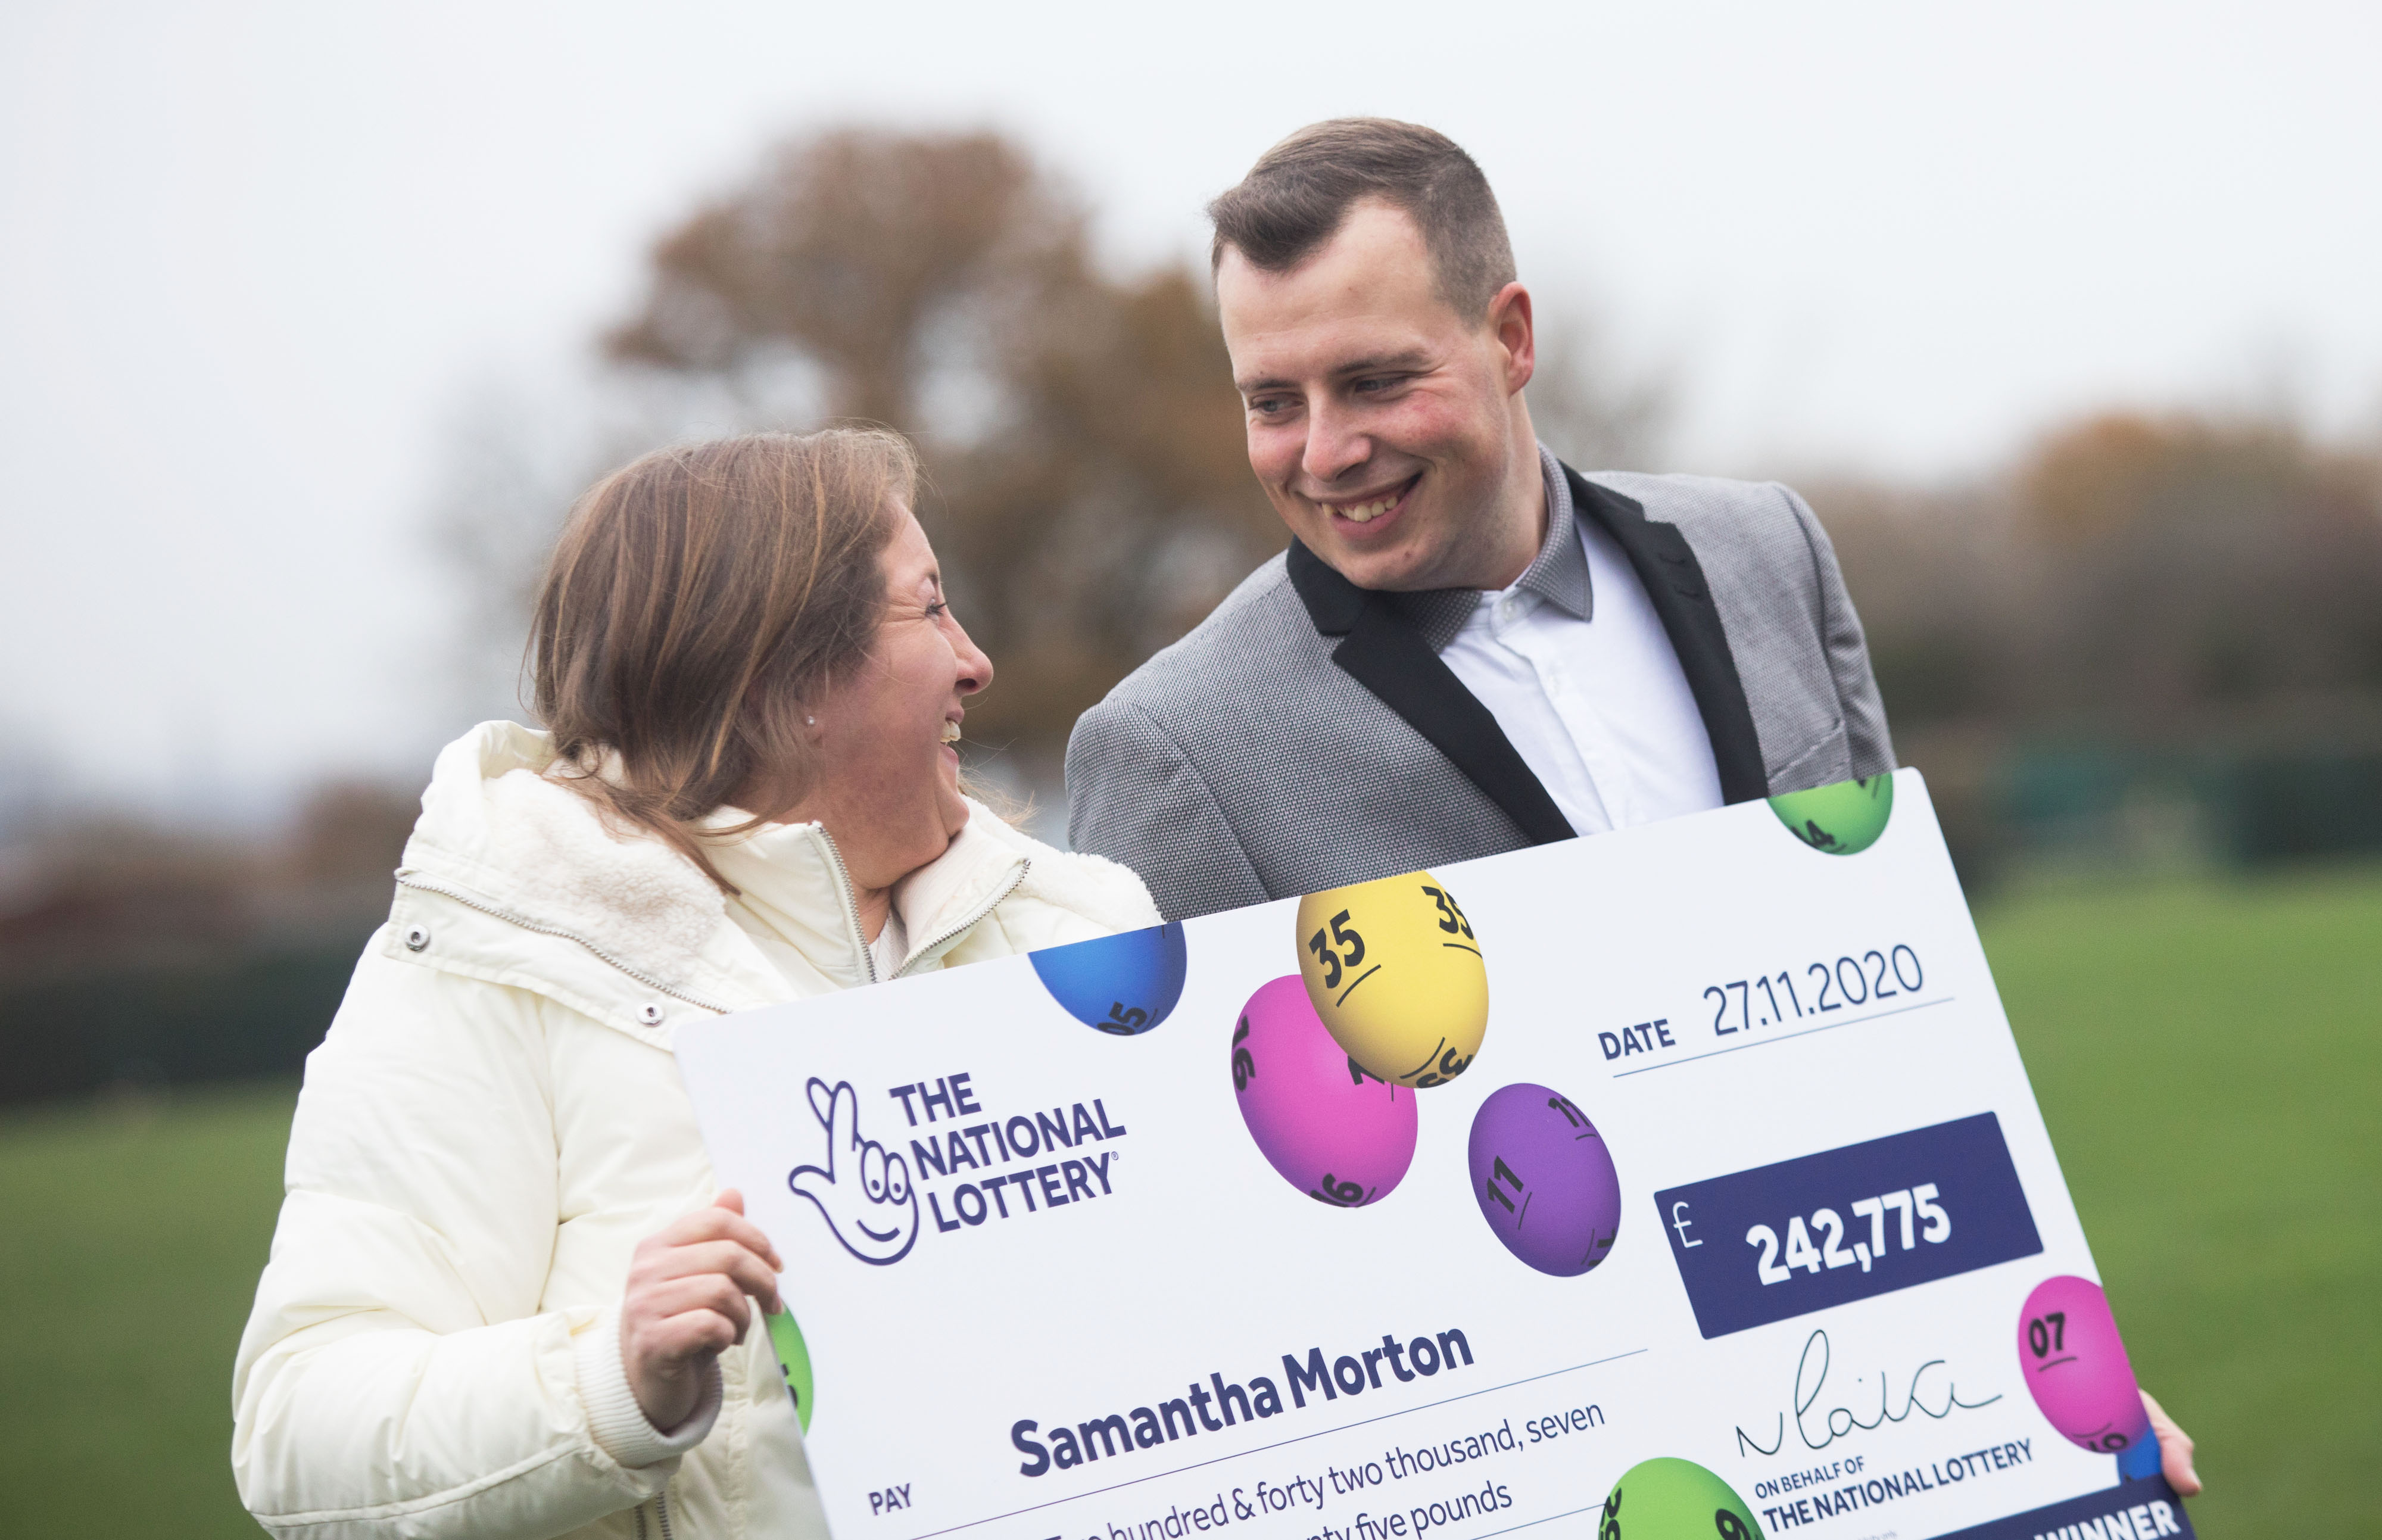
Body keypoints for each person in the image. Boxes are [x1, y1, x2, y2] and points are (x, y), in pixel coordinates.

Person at [1065, 117, 2199, 1495]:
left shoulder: (1763, 550)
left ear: (1511, 336)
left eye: (1373, 381)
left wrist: (2044, 1372)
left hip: (1893, 1410)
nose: (1324, 450)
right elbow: (1221, 1239)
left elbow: (1909, 1037)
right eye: (1272, 402)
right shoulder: (1172, 745)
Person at [232, 431, 1161, 1539]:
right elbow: (297, 1430)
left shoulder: (1090, 930)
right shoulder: (493, 957)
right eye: (929, 610)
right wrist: (613, 1382)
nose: (977, 662)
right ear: (785, 675)